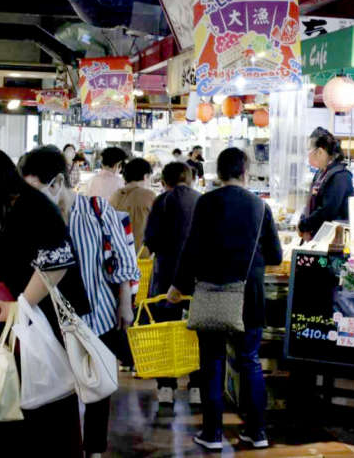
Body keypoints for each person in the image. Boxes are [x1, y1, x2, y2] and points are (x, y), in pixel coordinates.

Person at [0, 148, 91, 458]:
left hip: (40, 329)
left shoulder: (32, 207)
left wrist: (21, 306)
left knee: (43, 410)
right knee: (18, 409)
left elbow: (57, 265)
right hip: (19, 330)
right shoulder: (8, 208)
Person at [20, 146, 138, 458]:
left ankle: (95, 449)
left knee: (98, 383)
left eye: (36, 189)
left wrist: (125, 305)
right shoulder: (34, 219)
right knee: (62, 388)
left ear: (57, 182)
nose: (33, 197)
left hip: (98, 314)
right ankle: (69, 445)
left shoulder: (97, 209)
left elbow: (123, 260)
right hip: (53, 319)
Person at [168, 148, 282, 451]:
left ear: (218, 173)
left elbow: (191, 248)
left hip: (213, 292)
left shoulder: (206, 202)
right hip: (250, 295)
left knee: (213, 363)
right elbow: (276, 255)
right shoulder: (260, 206)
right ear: (245, 171)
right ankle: (257, 432)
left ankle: (212, 434)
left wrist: (177, 286)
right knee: (250, 362)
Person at [144, 162, 201, 405]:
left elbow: (151, 241)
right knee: (196, 331)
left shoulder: (162, 201)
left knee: (165, 330)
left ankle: (166, 387)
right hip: (198, 278)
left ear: (164, 181)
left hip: (166, 277)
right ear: (190, 179)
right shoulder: (202, 200)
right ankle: (197, 387)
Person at [298, 127, 354, 241]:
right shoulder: (320, 173)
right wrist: (303, 221)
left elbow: (327, 211)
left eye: (309, 150)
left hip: (332, 241)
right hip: (317, 237)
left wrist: (304, 225)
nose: (307, 155)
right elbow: (311, 202)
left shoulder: (341, 176)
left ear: (320, 152)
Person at [110, 158, 156, 255]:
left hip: (117, 253)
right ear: (145, 176)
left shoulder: (115, 195)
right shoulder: (149, 195)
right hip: (141, 256)